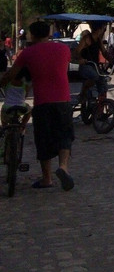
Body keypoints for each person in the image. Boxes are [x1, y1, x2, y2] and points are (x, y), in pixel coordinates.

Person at [0, 21, 75, 190]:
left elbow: (11, 74)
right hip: (63, 100)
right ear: (48, 33)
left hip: (43, 102)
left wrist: (2, 83)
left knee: (43, 140)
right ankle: (63, 167)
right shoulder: (63, 49)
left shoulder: (28, 53)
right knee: (65, 136)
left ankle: (46, 178)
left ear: (32, 35)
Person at [76, 29, 106, 100]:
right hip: (86, 65)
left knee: (102, 79)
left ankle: (102, 101)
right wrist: (81, 59)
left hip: (95, 66)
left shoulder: (98, 40)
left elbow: (104, 52)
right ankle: (82, 93)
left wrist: (111, 59)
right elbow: (76, 52)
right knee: (94, 76)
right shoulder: (85, 40)